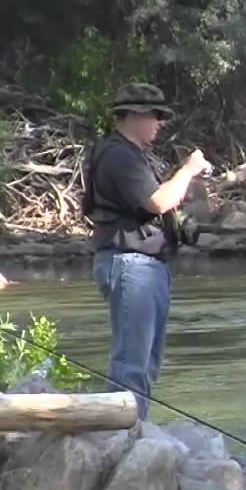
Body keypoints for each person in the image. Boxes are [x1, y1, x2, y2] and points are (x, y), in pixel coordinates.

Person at [83, 83, 210, 420]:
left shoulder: (134, 154)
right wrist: (188, 170)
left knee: (146, 361)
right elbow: (158, 201)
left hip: (144, 265)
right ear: (135, 115)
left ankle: (133, 429)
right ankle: (123, 437)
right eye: (155, 116)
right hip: (131, 265)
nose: (159, 123)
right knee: (132, 362)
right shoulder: (118, 155)